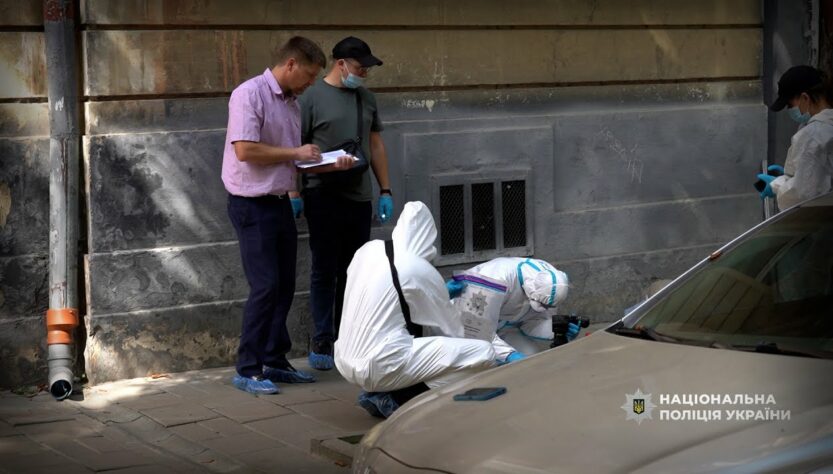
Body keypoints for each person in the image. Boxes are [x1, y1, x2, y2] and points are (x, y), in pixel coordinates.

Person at [223, 36, 346, 395]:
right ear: (290, 64)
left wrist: (328, 165)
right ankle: (247, 368)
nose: (310, 83)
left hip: (279, 202)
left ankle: (275, 361)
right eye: (308, 75)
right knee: (265, 287)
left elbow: (293, 159)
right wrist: (296, 151)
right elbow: (245, 150)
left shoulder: (292, 103)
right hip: (251, 204)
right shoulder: (249, 94)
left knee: (285, 287)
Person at [335, 202, 496, 418]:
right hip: (379, 365)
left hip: (345, 358)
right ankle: (396, 399)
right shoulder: (418, 268)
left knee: (406, 333)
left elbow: (384, 298)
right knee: (481, 354)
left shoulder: (367, 251)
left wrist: (436, 295)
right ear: (429, 240)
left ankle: (376, 392)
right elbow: (451, 330)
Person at [299, 36, 394, 370]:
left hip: (358, 195)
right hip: (322, 193)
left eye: (367, 69)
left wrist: (385, 190)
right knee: (324, 268)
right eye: (359, 67)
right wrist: (295, 194)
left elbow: (376, 145)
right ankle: (323, 338)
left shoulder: (366, 98)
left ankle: (349, 335)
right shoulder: (311, 97)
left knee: (354, 271)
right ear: (340, 64)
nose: (364, 74)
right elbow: (297, 147)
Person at [447, 257, 578, 362]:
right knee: (482, 364)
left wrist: (555, 330)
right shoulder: (493, 280)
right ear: (531, 288)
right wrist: (509, 355)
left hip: (500, 327)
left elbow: (531, 321)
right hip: (458, 328)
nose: (546, 309)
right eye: (544, 305)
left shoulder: (549, 281)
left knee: (530, 358)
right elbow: (476, 332)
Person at [756, 65, 833, 210]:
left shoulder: (812, 135)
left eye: (790, 105)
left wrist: (776, 185)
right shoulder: (826, 126)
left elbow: (802, 195)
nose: (790, 110)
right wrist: (791, 174)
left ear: (805, 98)